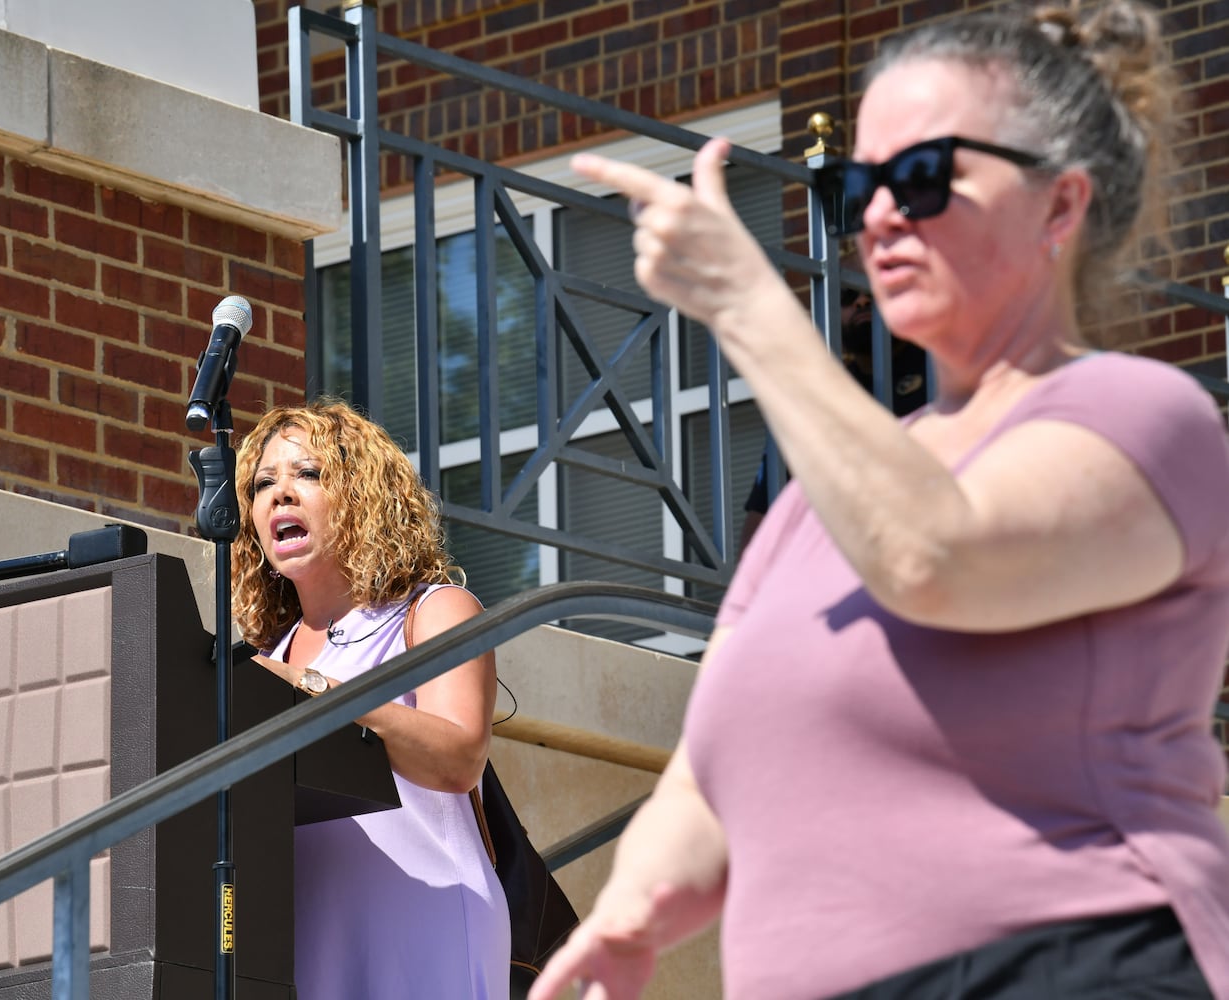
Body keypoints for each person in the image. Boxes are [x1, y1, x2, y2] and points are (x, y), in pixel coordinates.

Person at [536, 1, 1229, 997]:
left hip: (1068, 964)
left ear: (1061, 208)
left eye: (922, 175)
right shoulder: (822, 502)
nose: (878, 214)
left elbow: (936, 557)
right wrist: (626, 913)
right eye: (861, 184)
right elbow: (707, 771)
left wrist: (747, 306)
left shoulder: (1143, 415)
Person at [229, 397, 511, 1000]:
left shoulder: (433, 611)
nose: (279, 494)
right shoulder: (263, 654)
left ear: (362, 495)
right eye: (262, 484)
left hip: (421, 912)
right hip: (301, 929)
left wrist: (314, 689)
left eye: (309, 474)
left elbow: (459, 758)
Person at [740, 284, 928, 551]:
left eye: (872, 290)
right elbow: (764, 512)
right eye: (848, 296)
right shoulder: (820, 400)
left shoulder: (940, 368)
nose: (862, 301)